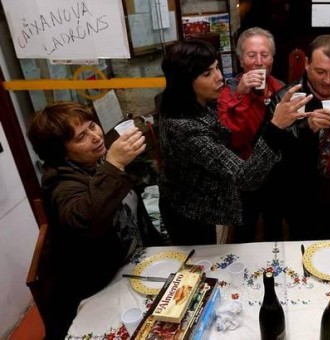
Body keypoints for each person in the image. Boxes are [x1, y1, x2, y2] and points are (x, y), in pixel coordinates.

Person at [27, 102, 162, 339]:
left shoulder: (97, 162)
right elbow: (87, 221)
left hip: (133, 267)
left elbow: (134, 214)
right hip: (97, 287)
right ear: (61, 151)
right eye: (81, 137)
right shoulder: (59, 183)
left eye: (92, 126)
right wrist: (116, 164)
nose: (96, 136)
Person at [158, 40, 309, 245]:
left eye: (217, 67)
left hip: (209, 201)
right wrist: (274, 126)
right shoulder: (184, 128)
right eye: (207, 73)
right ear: (185, 81)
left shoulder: (205, 101)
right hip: (192, 212)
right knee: (203, 267)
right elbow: (245, 177)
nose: (219, 76)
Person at [266, 34, 330, 240]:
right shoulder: (286, 99)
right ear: (306, 64)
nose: (328, 80)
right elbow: (271, 151)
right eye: (320, 71)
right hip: (301, 197)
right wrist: (306, 127)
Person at [217, 27, 286, 242]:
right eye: (251, 55)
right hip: (245, 175)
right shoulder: (228, 93)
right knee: (244, 231)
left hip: (276, 174)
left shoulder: (281, 88)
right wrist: (242, 95)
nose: (258, 61)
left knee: (275, 226)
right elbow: (232, 139)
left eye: (264, 55)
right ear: (240, 60)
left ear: (272, 58)